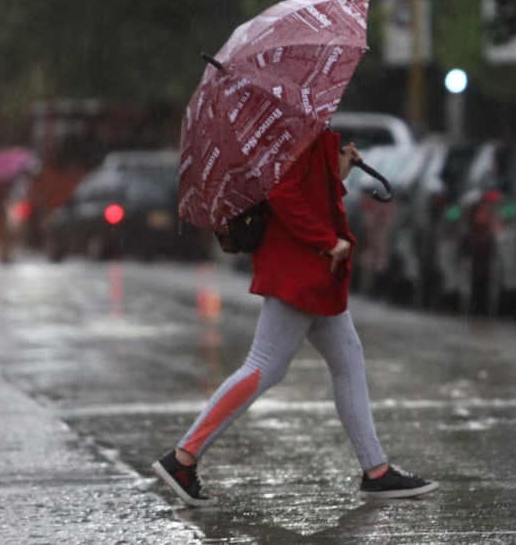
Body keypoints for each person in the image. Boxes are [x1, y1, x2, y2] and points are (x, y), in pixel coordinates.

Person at [152, 129, 438, 506]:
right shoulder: (292, 129)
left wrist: (338, 169)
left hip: (312, 270)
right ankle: (183, 458)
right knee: (265, 366)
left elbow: (309, 192)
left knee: (347, 360)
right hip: (300, 269)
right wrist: (327, 241)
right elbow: (284, 194)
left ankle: (377, 472)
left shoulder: (301, 125)